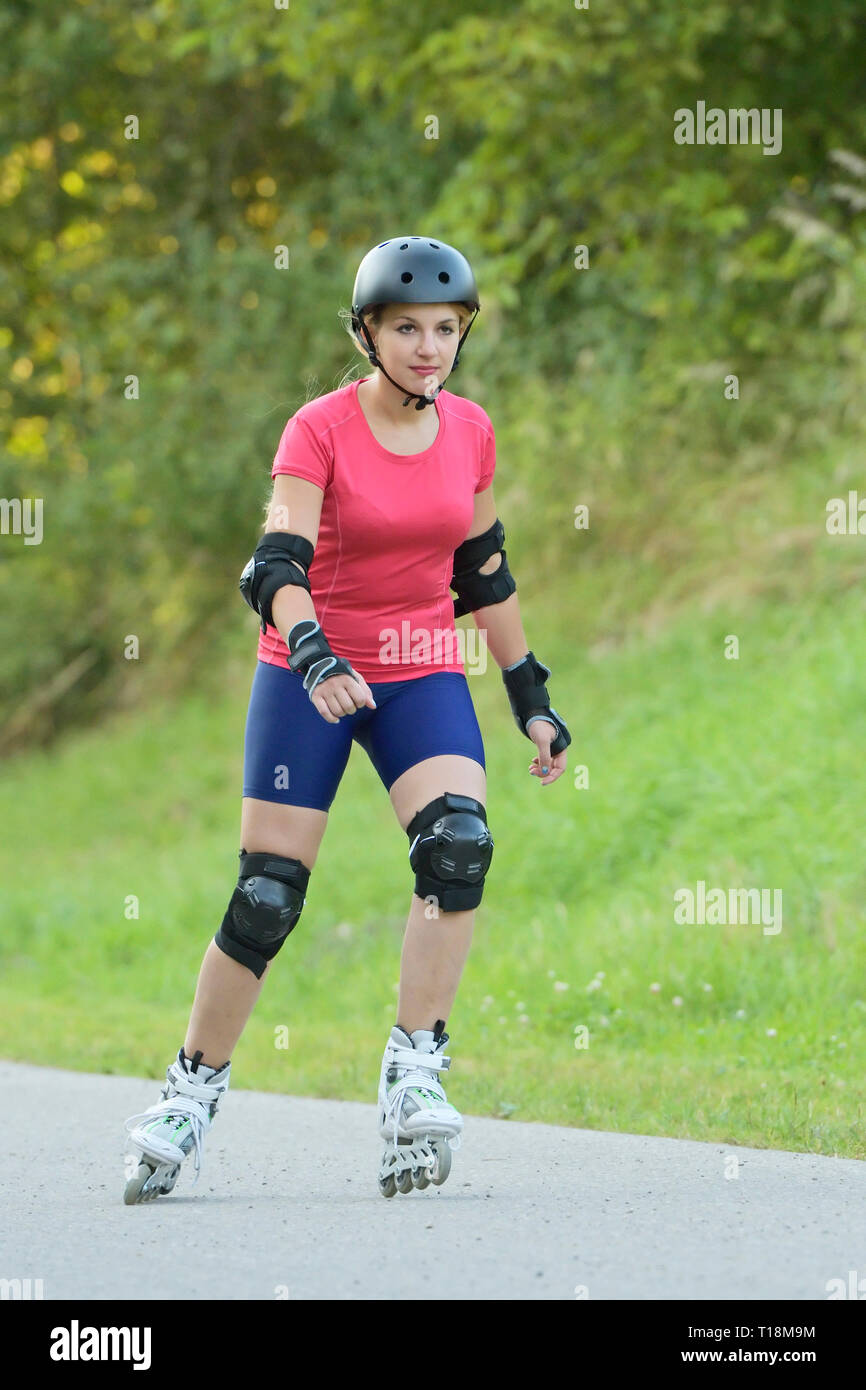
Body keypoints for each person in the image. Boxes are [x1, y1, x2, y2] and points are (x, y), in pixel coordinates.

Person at [122, 235, 571, 1203]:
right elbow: (272, 564)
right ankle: (191, 1088)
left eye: (445, 328)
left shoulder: (470, 431)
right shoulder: (317, 428)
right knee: (268, 895)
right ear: (365, 332)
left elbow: (481, 566)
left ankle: (414, 1068)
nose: (427, 347)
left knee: (457, 846)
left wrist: (526, 692)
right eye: (406, 327)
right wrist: (316, 651)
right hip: (307, 668)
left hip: (418, 666)